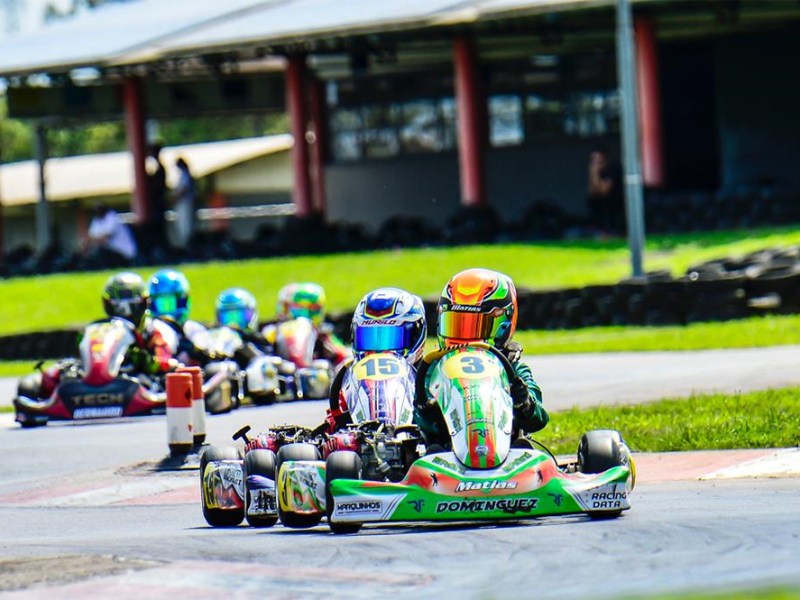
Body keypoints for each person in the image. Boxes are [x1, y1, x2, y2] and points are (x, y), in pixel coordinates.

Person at [415, 268, 549, 446]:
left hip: (505, 454)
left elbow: (539, 419)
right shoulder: (433, 370)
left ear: (504, 324)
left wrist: (523, 402)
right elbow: (414, 416)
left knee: (524, 447)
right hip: (443, 454)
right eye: (456, 325)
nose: (465, 339)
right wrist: (431, 414)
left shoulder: (514, 370)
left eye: (476, 326)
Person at [322, 287, 427, 432]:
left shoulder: (429, 380)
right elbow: (334, 418)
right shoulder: (349, 382)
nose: (378, 353)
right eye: (368, 339)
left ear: (416, 335)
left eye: (390, 339)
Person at [101, 272, 177, 374]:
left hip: (142, 383)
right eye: (118, 306)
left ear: (143, 302)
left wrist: (142, 360)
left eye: (130, 305)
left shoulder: (153, 331)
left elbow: (164, 361)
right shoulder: (104, 331)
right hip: (108, 377)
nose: (125, 312)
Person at [264, 283, 350, 369]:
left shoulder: (323, 337)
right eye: (296, 308)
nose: (303, 313)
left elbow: (345, 356)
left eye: (312, 309)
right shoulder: (272, 332)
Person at [148, 269, 206, 363]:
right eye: (162, 304)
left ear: (182, 301)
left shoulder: (193, 330)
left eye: (170, 304)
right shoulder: (150, 331)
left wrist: (194, 350)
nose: (166, 313)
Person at [85, 203, 137, 267]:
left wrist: (94, 239)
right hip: (111, 252)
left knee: (101, 251)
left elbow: (104, 239)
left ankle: (107, 268)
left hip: (123, 252)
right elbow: (90, 237)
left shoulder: (112, 217)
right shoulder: (97, 219)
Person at [587, 147, 623, 237]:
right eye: (593, 159)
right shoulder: (598, 171)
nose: (596, 162)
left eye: (598, 158)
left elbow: (604, 190)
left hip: (616, 205)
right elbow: (592, 193)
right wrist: (593, 174)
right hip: (602, 208)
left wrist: (594, 173)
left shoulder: (613, 169)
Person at [146, 142, 168, 250]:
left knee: (158, 227)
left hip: (158, 203)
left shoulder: (160, 168)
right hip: (157, 204)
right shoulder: (158, 167)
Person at [172, 157, 196, 250]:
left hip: (185, 203)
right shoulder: (183, 175)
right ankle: (186, 245)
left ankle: (188, 245)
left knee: (186, 226)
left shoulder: (185, 175)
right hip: (182, 204)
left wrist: (175, 197)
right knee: (182, 226)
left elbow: (183, 189)